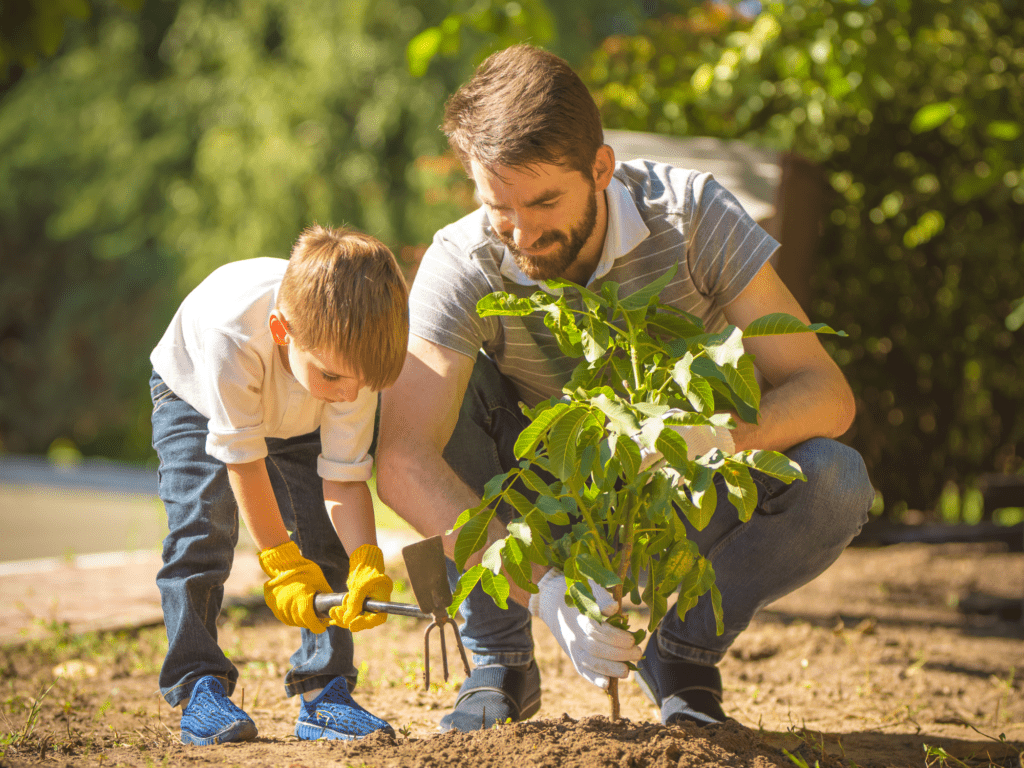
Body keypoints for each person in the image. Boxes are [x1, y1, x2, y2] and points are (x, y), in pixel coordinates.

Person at [376, 43, 874, 732]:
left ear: (601, 169)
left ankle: (682, 656)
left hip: (681, 495)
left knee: (837, 479)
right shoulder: (463, 261)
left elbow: (826, 391)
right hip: (544, 508)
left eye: (545, 200)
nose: (521, 232)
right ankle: (499, 660)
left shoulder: (692, 216)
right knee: (437, 391)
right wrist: (545, 589)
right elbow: (402, 458)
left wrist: (710, 437)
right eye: (499, 207)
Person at [149, 225, 408, 745]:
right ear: (281, 331)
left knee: (326, 536)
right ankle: (198, 683)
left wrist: (365, 558)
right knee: (203, 528)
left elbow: (344, 477)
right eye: (337, 378)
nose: (350, 394)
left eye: (362, 383)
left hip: (297, 410)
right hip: (197, 397)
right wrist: (281, 563)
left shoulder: (347, 367)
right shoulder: (233, 335)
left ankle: (325, 691)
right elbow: (243, 461)